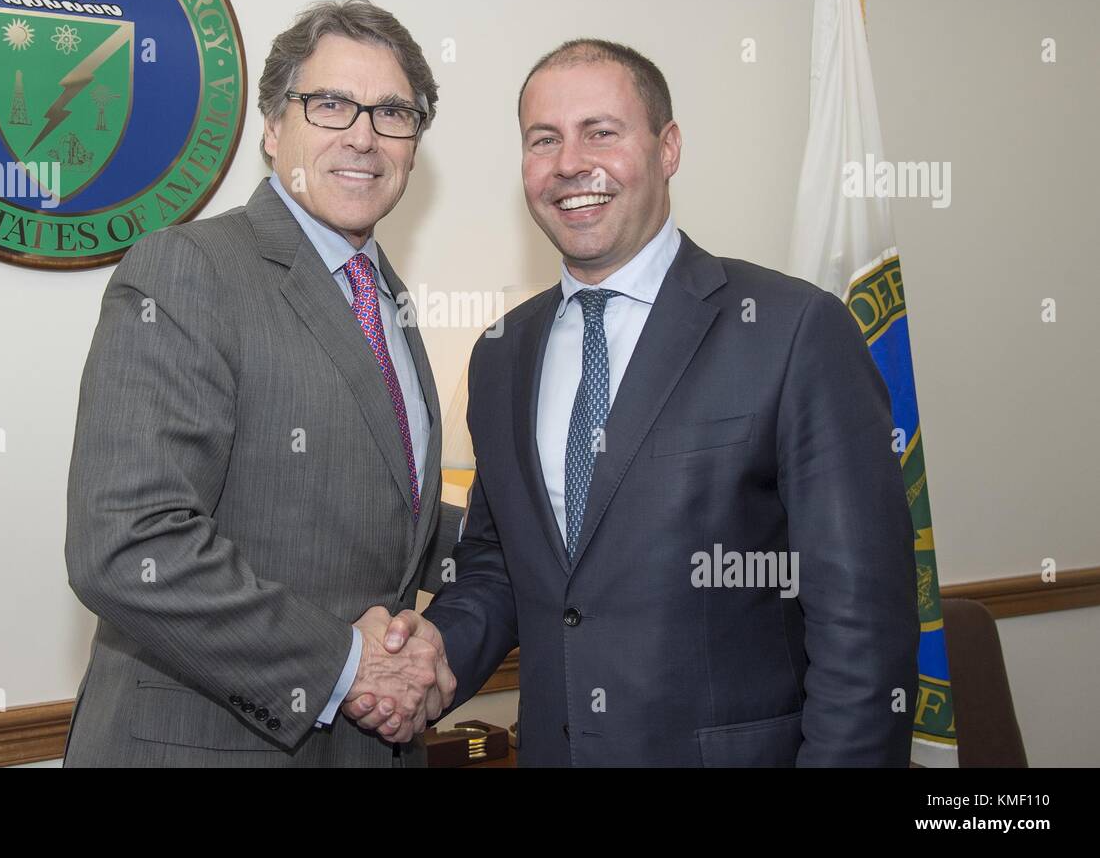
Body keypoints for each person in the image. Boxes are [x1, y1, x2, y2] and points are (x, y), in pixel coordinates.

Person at [350, 38, 918, 766]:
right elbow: (498, 564)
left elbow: (863, 624)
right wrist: (426, 665)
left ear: (668, 147)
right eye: (543, 139)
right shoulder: (501, 353)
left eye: (602, 132)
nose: (568, 162)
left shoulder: (791, 329)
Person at [63, 0, 459, 767]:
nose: (364, 135)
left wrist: (531, 546)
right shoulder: (189, 268)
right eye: (332, 104)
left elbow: (373, 506)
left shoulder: (385, 295)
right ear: (275, 130)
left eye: (393, 113)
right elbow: (127, 541)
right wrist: (351, 663)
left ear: (414, 144)